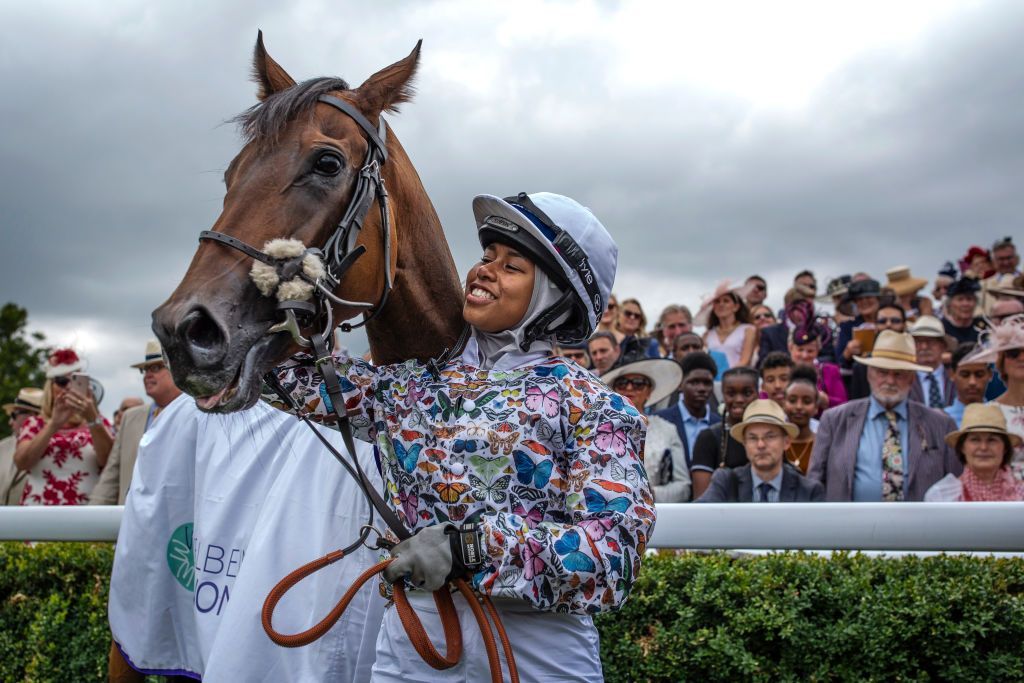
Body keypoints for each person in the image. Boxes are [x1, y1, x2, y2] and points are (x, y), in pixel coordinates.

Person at [271, 191, 653, 681]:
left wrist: (468, 547)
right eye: (486, 257)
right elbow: (287, 378)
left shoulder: (595, 406)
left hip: (540, 647)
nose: (485, 271)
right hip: (416, 639)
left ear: (554, 300)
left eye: (512, 266)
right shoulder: (408, 386)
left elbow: (613, 552)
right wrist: (287, 296)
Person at [807, 331, 961, 501]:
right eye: (882, 372)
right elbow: (815, 482)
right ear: (869, 374)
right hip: (849, 525)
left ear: (911, 379)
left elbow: (954, 486)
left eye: (898, 374)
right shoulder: (835, 420)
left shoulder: (940, 424)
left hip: (920, 526)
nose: (890, 381)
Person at [90, 340, 183, 505]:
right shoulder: (130, 417)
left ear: (177, 369)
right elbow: (112, 474)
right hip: (131, 517)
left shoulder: (199, 414)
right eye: (145, 369)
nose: (147, 375)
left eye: (156, 368)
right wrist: (91, 518)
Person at [14, 349, 113, 505]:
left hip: (87, 516)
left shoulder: (99, 423)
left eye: (75, 381)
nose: (68, 387)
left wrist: (92, 418)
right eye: (61, 381)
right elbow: (21, 463)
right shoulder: (34, 424)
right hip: (37, 516)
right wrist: (53, 425)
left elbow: (109, 463)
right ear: (50, 388)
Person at [696, 399, 824, 502]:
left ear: (786, 442)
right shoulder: (726, 482)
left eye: (770, 436)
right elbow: (698, 516)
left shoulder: (808, 490)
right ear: (744, 443)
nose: (761, 445)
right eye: (752, 438)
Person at [603, 352, 690, 502]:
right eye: (622, 383)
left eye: (638, 383)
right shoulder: (599, 428)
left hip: (657, 512)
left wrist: (649, 493)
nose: (629, 388)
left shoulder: (667, 429)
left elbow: (683, 486)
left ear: (649, 391)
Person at [924, 404, 1024, 501]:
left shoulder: (1021, 493)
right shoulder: (942, 496)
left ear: (1005, 448)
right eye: (975, 440)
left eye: (992, 440)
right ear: (962, 447)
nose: (983, 447)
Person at [689, 367, 759, 499]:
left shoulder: (770, 436)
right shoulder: (708, 437)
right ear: (722, 395)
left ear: (758, 394)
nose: (739, 399)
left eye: (747, 393)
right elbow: (702, 499)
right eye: (731, 393)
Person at [972, 313, 1024, 480]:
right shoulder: (987, 413)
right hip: (1002, 499)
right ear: (1002, 362)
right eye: (1013, 353)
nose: (1022, 358)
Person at [655, 351, 720, 471]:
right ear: (680, 385)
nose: (701, 389)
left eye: (707, 383)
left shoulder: (719, 425)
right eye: (694, 382)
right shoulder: (660, 421)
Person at [847, 303, 908, 400]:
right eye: (882, 321)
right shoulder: (862, 366)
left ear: (904, 325)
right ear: (875, 327)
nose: (888, 324)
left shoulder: (916, 361)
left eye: (895, 321)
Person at [788, 320, 847, 409]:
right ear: (790, 347)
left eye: (810, 351)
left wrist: (825, 400)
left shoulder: (829, 371)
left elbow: (844, 405)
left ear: (818, 350)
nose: (804, 355)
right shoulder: (782, 372)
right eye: (800, 350)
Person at [697, 281, 756, 370]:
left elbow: (745, 360)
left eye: (726, 301)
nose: (721, 304)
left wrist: (727, 374)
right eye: (717, 302)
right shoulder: (707, 335)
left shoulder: (748, 330)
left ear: (736, 307)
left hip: (739, 377)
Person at [1, 388, 42, 505]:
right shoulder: (3, 447)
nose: (10, 422)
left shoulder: (55, 447)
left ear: (34, 416)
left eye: (15, 415)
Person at [907, 316, 955, 409]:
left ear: (943, 346)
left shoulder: (955, 377)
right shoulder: (904, 378)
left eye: (931, 341)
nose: (924, 347)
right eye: (918, 342)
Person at [835, 279, 883, 366]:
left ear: (878, 299)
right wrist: (848, 352)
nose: (864, 301)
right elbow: (839, 362)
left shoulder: (889, 322)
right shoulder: (847, 327)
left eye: (868, 297)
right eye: (859, 299)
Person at [945, 343, 992, 426]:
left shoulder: (1002, 416)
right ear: (952, 374)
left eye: (979, 374)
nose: (972, 382)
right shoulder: (940, 420)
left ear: (990, 375)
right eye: (965, 375)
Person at [783, 369, 819, 473]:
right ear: (784, 404)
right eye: (792, 400)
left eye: (806, 401)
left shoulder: (823, 444)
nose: (799, 406)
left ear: (816, 407)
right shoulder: (776, 443)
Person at [757, 296, 813, 364]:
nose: (803, 311)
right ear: (787, 308)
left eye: (807, 307)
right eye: (799, 307)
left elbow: (826, 355)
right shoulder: (770, 333)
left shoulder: (819, 331)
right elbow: (764, 360)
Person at [943, 277, 986, 344]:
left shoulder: (983, 324)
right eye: (960, 299)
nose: (965, 304)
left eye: (969, 299)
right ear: (950, 304)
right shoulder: (942, 327)